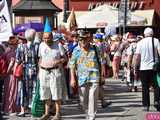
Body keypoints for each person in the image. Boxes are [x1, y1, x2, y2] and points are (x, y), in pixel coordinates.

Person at [69, 30, 105, 120]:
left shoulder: (96, 49)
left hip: (94, 76)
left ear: (89, 39)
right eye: (81, 40)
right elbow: (72, 65)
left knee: (93, 97)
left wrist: (102, 76)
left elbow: (102, 62)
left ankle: (92, 117)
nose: (83, 41)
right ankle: (87, 114)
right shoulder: (76, 50)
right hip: (82, 78)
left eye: (85, 39)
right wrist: (72, 79)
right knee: (83, 100)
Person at [39, 18, 67, 120]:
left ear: (52, 36)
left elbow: (65, 58)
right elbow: (40, 58)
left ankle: (58, 114)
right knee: (45, 93)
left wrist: (59, 61)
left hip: (55, 71)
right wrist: (39, 72)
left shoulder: (58, 45)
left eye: (48, 38)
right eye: (45, 38)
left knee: (56, 93)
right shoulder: (41, 45)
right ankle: (46, 113)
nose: (47, 40)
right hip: (43, 71)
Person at [135, 27, 160, 111]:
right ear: (152, 33)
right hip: (154, 67)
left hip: (143, 68)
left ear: (144, 34)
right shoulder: (156, 41)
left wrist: (136, 66)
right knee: (156, 86)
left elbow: (137, 56)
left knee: (145, 87)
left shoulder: (140, 42)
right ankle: (157, 101)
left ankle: (146, 105)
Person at [14, 28, 37, 117]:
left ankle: (23, 110)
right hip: (35, 71)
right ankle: (32, 110)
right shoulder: (37, 46)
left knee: (23, 90)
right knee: (33, 90)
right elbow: (38, 60)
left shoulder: (21, 47)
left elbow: (17, 60)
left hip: (24, 71)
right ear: (34, 36)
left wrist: (15, 70)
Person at [3, 36, 20, 114]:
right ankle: (10, 109)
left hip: (7, 75)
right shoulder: (14, 52)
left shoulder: (6, 51)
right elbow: (11, 63)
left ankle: (6, 108)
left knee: (7, 91)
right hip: (12, 74)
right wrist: (9, 71)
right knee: (12, 91)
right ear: (15, 44)